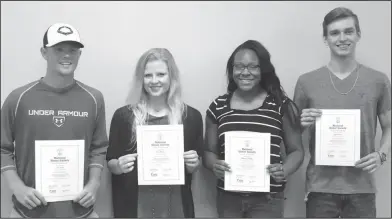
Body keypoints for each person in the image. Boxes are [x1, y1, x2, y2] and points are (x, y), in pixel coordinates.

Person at [1, 23, 108, 218]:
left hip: (80, 212)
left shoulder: (94, 98)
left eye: (73, 50)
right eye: (58, 49)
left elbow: (99, 147)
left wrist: (94, 184)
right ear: (44, 52)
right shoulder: (18, 98)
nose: (66, 55)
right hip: (28, 213)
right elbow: (3, 147)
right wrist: (16, 186)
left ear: (79, 55)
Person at [293, 7, 391, 218]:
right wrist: (302, 122)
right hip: (320, 187)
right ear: (325, 38)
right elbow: (292, 131)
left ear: (358, 35)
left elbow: (389, 125)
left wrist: (382, 155)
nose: (342, 38)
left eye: (348, 31)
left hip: (362, 188)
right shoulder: (306, 82)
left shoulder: (378, 80)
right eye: (335, 33)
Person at [203, 40, 304, 218]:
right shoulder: (217, 106)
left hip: (268, 199)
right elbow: (208, 152)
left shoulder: (280, 105)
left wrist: (285, 169)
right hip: (228, 198)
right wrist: (214, 165)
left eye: (253, 67)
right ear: (232, 70)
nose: (245, 72)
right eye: (239, 67)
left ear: (262, 70)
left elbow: (296, 151)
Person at [106, 48, 203, 218]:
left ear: (171, 77)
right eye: (148, 75)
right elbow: (111, 163)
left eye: (161, 74)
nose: (154, 80)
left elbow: (194, 166)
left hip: (177, 206)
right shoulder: (123, 116)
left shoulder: (191, 117)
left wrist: (193, 163)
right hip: (134, 207)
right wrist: (119, 166)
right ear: (140, 79)